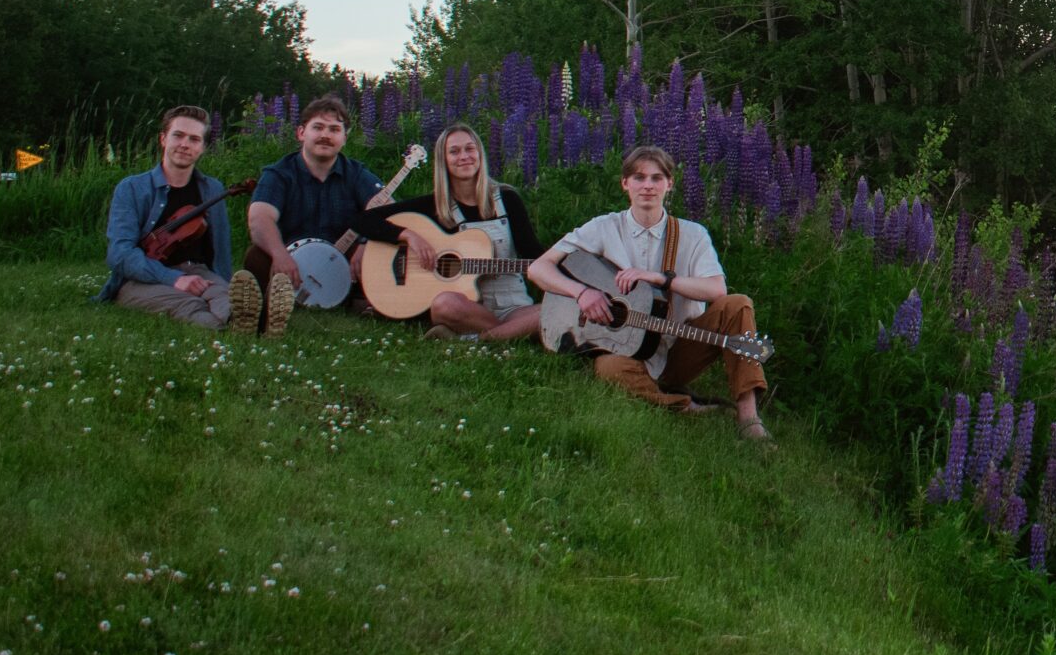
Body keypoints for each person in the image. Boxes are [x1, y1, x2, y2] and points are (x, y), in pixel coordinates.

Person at [526, 145, 770, 441]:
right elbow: (539, 268)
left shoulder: (692, 234)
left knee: (739, 304)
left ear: (669, 184)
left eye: (656, 178)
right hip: (628, 351)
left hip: (680, 344)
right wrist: (581, 293)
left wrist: (661, 279)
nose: (648, 186)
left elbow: (716, 289)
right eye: (639, 178)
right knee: (608, 368)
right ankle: (685, 406)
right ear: (625, 183)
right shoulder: (604, 227)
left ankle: (748, 417)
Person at [349, 122, 543, 343]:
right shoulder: (434, 206)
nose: (464, 156)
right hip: (466, 308)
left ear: (480, 154)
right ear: (444, 161)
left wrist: (563, 263)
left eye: (470, 149)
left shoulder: (507, 199)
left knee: (558, 309)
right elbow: (362, 220)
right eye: (454, 151)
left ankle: (480, 338)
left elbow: (533, 253)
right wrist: (408, 236)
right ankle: (516, 333)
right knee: (443, 304)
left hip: (512, 305)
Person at [99, 104, 257, 332]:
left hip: (198, 272)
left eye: (194, 139)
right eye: (178, 135)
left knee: (223, 296)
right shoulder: (132, 188)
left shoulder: (213, 189)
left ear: (202, 148)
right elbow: (120, 254)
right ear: (163, 139)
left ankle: (244, 319)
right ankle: (226, 329)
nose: (185, 144)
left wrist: (224, 283)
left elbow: (220, 246)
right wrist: (174, 278)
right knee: (188, 303)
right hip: (142, 279)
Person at [245, 95, 386, 335]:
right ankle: (268, 305)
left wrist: (367, 243)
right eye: (317, 127)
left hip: (342, 263)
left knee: (382, 252)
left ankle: (363, 302)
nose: (325, 135)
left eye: (334, 129)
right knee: (256, 256)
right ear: (301, 133)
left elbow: (387, 210)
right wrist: (279, 254)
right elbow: (259, 218)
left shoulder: (357, 174)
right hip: (290, 261)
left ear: (344, 137)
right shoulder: (279, 173)